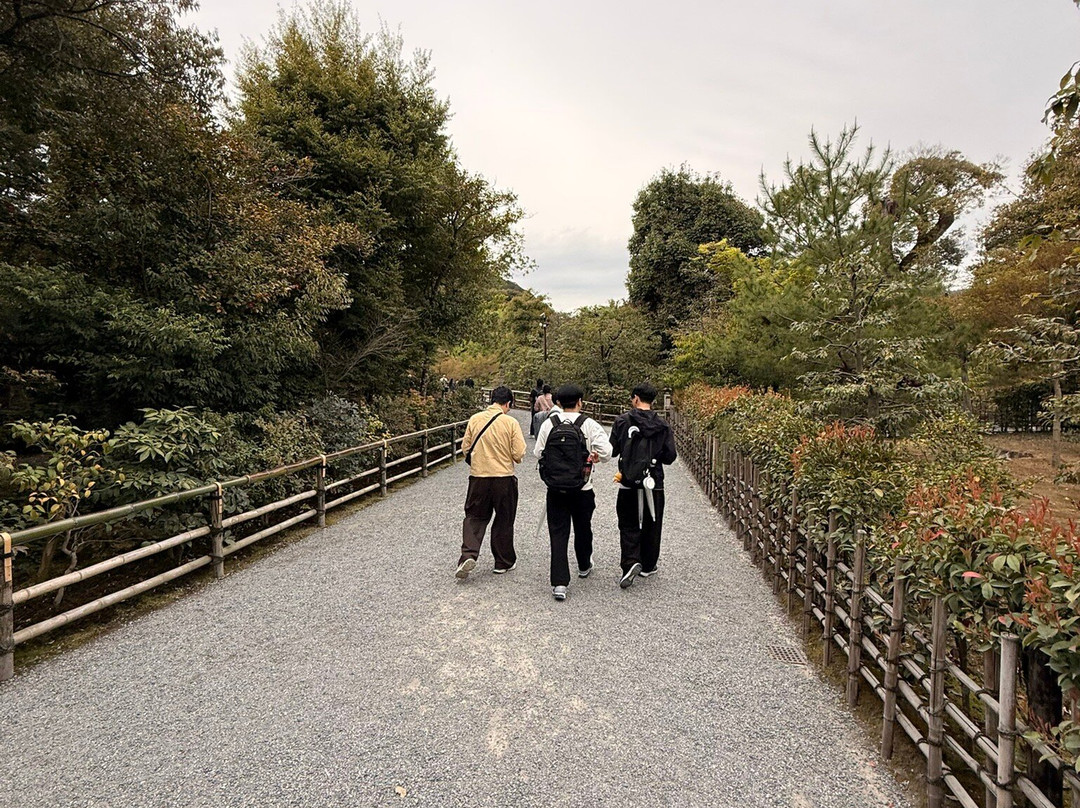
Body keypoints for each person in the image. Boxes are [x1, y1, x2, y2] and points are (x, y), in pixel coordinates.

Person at [535, 384, 612, 601]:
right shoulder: (589, 424)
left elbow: (538, 452)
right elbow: (608, 453)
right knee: (583, 527)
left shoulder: (549, 424)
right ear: (580, 402)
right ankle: (584, 564)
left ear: (558, 402)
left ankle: (559, 583)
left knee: (558, 533)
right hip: (582, 487)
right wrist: (594, 455)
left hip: (555, 488)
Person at [610, 382, 677, 589]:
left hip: (628, 479)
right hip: (654, 480)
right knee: (653, 521)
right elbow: (670, 456)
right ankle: (648, 564)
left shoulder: (622, 421)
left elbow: (613, 450)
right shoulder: (663, 425)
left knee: (627, 521)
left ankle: (631, 560)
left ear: (636, 398)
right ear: (653, 400)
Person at [457, 386, 527, 578]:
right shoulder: (510, 422)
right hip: (503, 478)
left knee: (474, 517)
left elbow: (465, 448)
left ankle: (468, 556)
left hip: (478, 477)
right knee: (504, 518)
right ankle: (502, 562)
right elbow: (518, 453)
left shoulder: (475, 419)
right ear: (508, 403)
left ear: (491, 400)